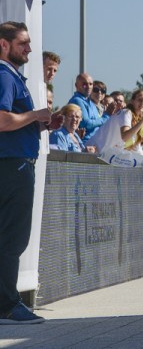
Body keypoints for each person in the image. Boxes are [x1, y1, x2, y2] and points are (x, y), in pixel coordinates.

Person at [0, 22, 62, 325]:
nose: (29, 49)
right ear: (4, 44)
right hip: (12, 166)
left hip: (14, 163)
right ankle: (8, 306)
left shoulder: (11, 76)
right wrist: (37, 115)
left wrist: (41, 124)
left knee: (9, 238)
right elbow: (1, 120)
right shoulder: (4, 75)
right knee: (12, 238)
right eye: (23, 43)